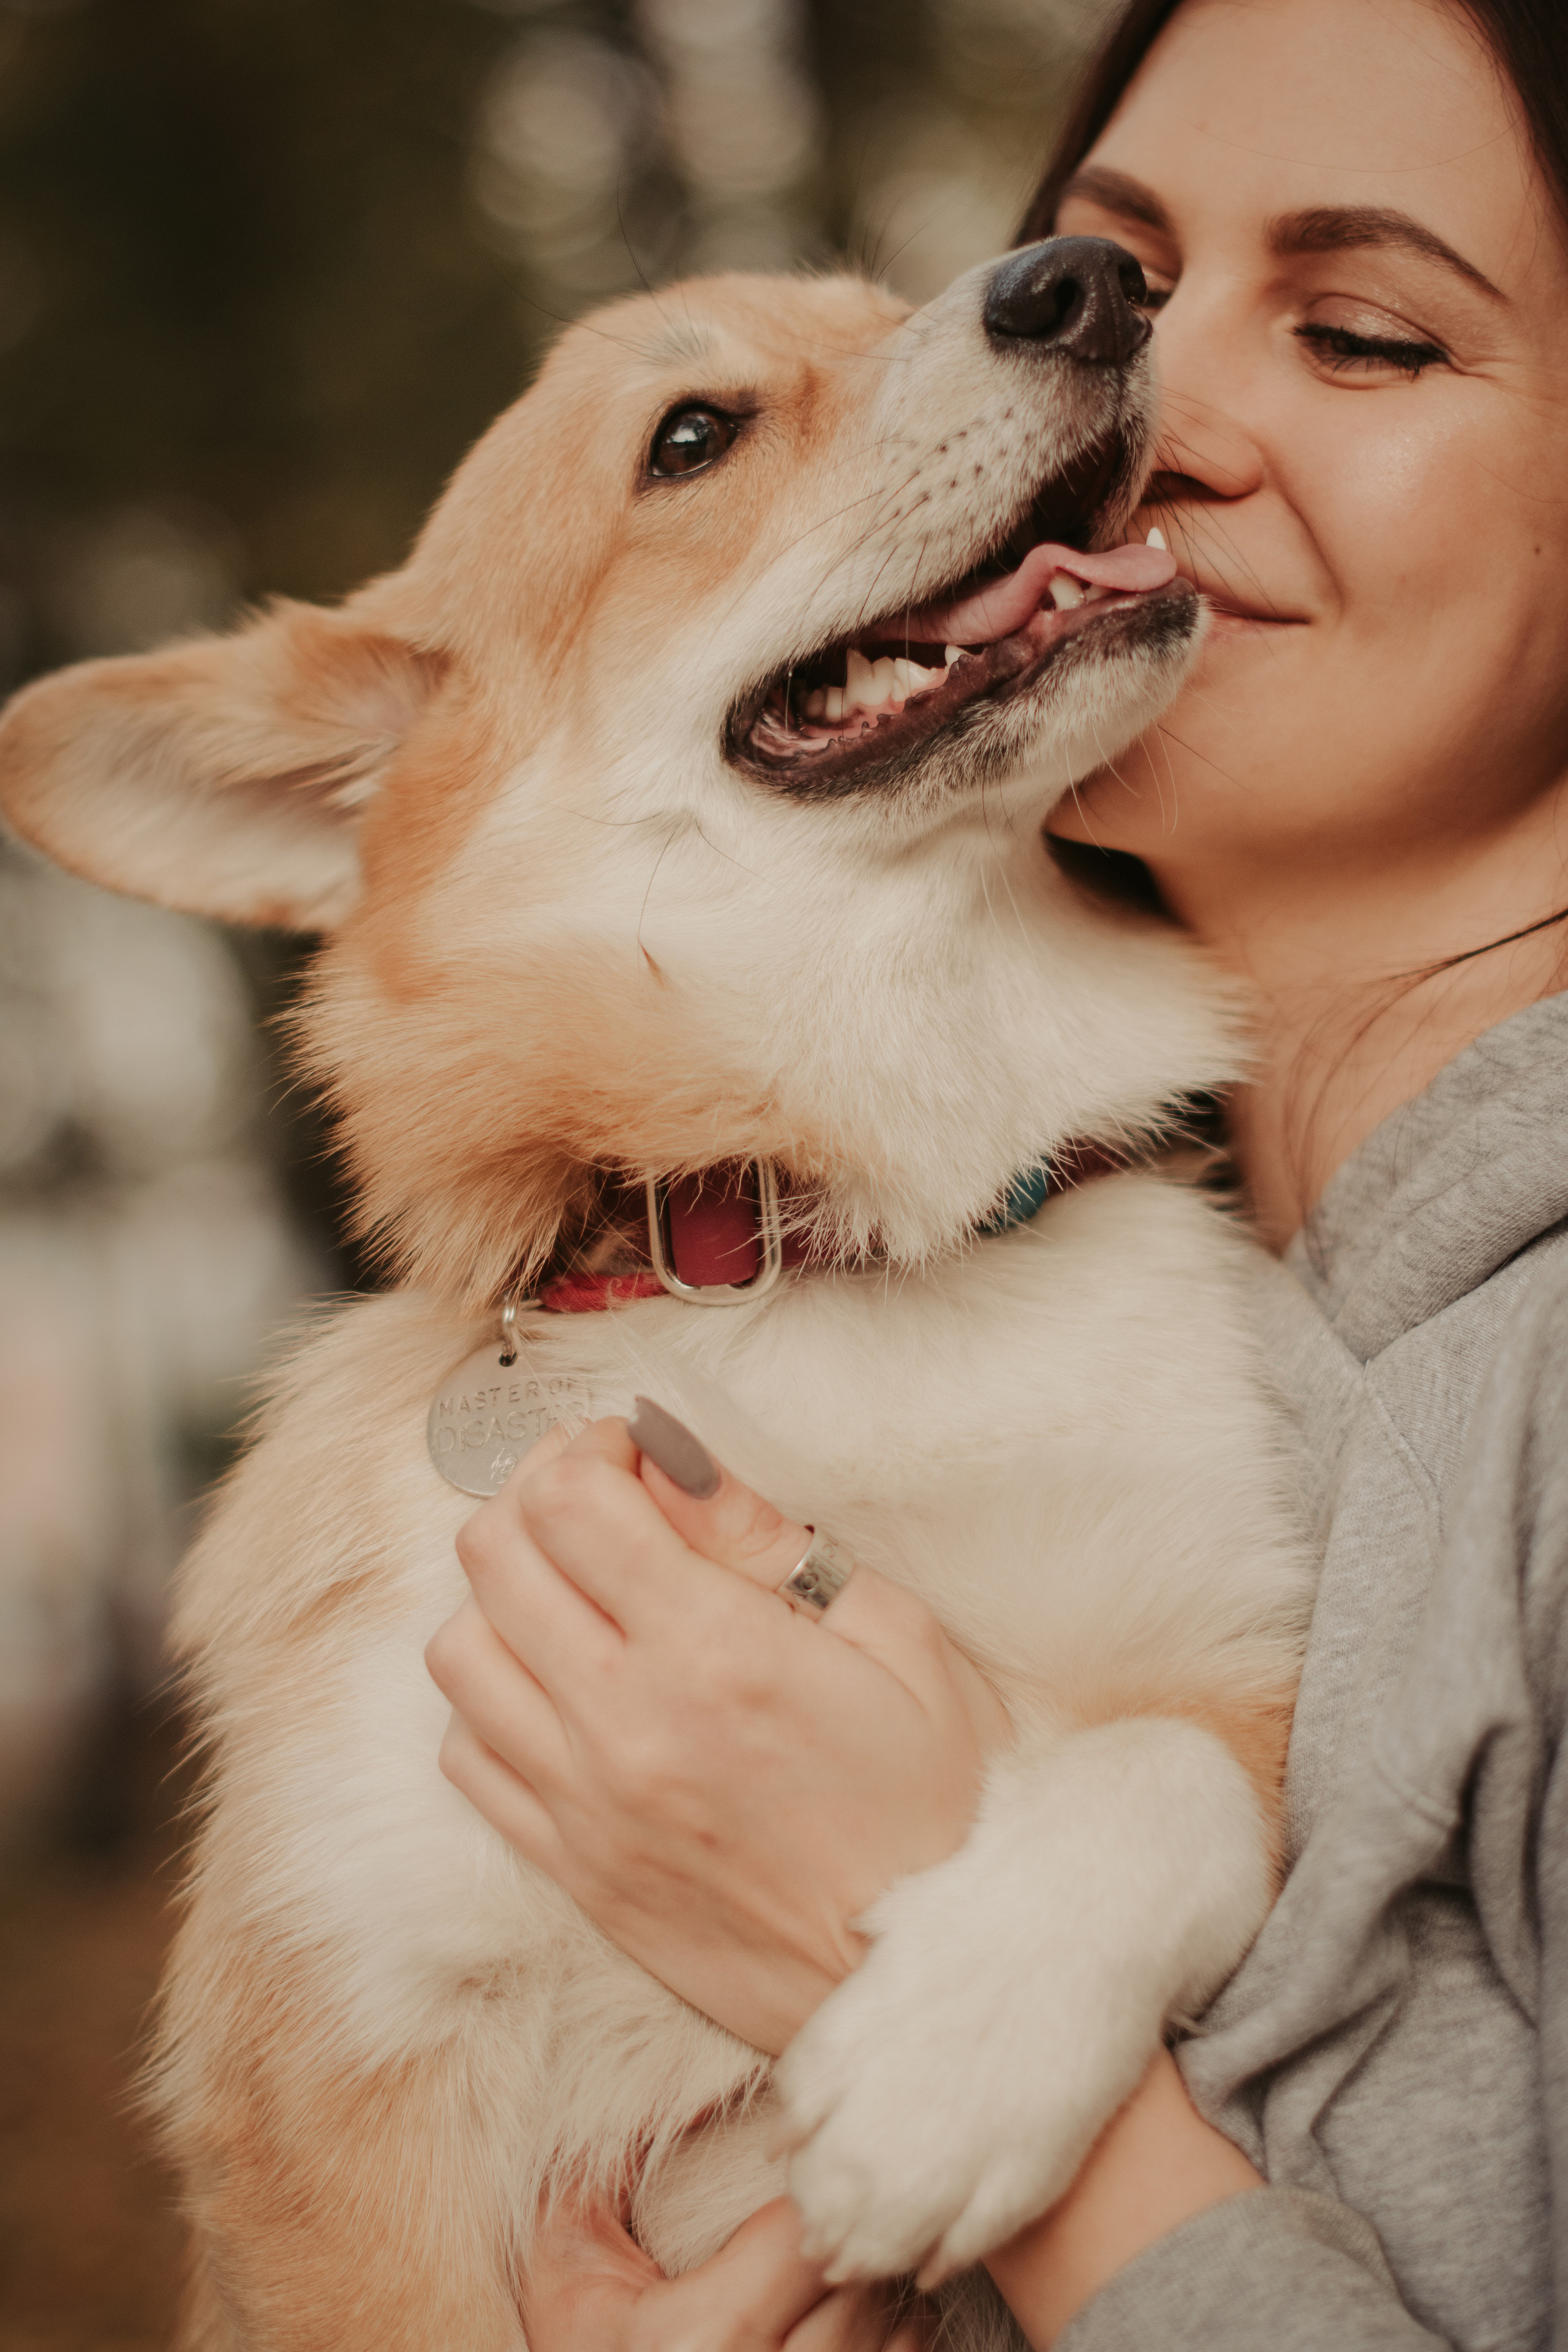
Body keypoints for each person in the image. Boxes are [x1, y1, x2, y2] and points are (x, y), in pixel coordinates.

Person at [423, 0, 1568, 2342]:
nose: (1154, 402)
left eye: (1362, 334)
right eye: (1111, 267)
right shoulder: (1171, 1277)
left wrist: (933, 1966)